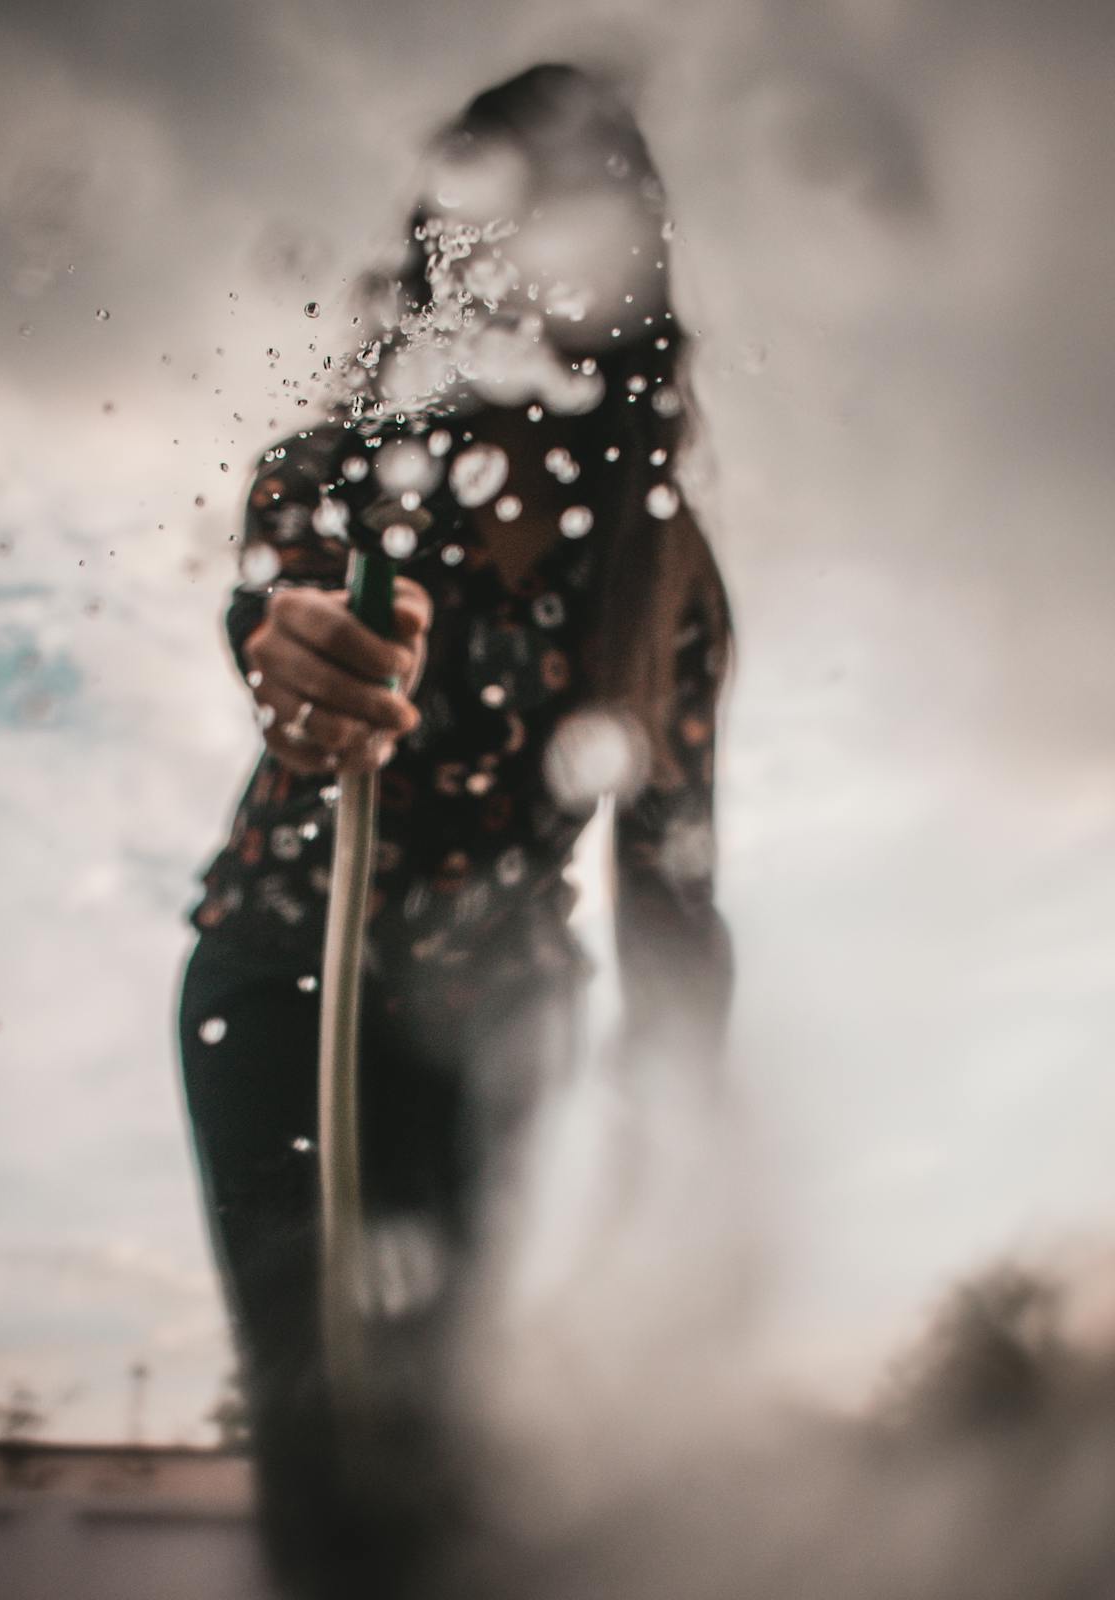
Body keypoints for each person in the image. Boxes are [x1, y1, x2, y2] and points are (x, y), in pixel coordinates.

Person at [175, 60, 735, 1600]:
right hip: (280, 971)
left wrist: (685, 1142)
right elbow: (272, 624)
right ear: (450, 236)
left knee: (446, 1454)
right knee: (323, 1431)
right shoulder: (332, 472)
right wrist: (301, 656)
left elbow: (673, 891)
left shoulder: (665, 569)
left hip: (501, 1012)